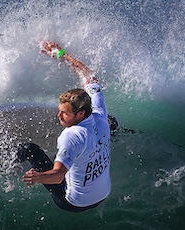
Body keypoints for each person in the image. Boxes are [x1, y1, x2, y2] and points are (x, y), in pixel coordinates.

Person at [18, 41, 114, 212]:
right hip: (103, 195)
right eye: (60, 111)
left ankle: (0, 161)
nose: (59, 116)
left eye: (65, 113)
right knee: (110, 123)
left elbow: (57, 177)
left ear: (80, 114)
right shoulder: (100, 114)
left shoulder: (71, 136)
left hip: (72, 202)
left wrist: (38, 177)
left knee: (28, 149)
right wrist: (61, 54)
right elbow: (89, 76)